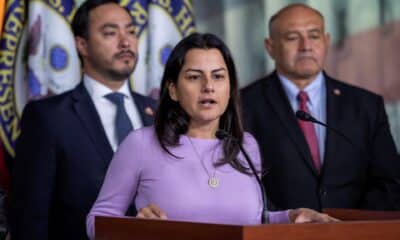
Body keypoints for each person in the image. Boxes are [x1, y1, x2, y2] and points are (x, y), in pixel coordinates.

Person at [86, 32, 337, 239]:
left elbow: (252, 221)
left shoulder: (246, 145)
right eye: (195, 77)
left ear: (229, 88)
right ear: (173, 89)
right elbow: (96, 221)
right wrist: (135, 228)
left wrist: (291, 216)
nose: (208, 86)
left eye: (218, 76)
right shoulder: (141, 143)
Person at [11, 1, 156, 239]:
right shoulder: (48, 118)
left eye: (130, 31)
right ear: (82, 45)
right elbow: (30, 218)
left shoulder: (159, 113)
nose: (126, 41)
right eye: (110, 33)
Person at [241, 3, 400, 212]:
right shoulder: (242, 105)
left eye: (314, 35)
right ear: (270, 47)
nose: (305, 46)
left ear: (327, 41)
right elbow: (240, 186)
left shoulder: (366, 106)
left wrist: (349, 225)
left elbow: (390, 182)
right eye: (292, 37)